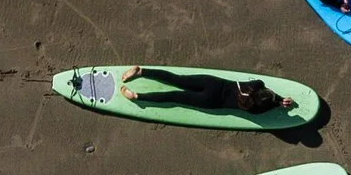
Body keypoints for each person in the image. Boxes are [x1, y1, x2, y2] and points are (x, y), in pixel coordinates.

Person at [121, 66, 293, 116]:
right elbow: (266, 105)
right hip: (210, 101)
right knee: (174, 96)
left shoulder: (255, 84)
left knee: (177, 79)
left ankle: (141, 71)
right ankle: (137, 96)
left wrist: (279, 98)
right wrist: (278, 103)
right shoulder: (255, 110)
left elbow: (264, 88)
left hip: (213, 83)